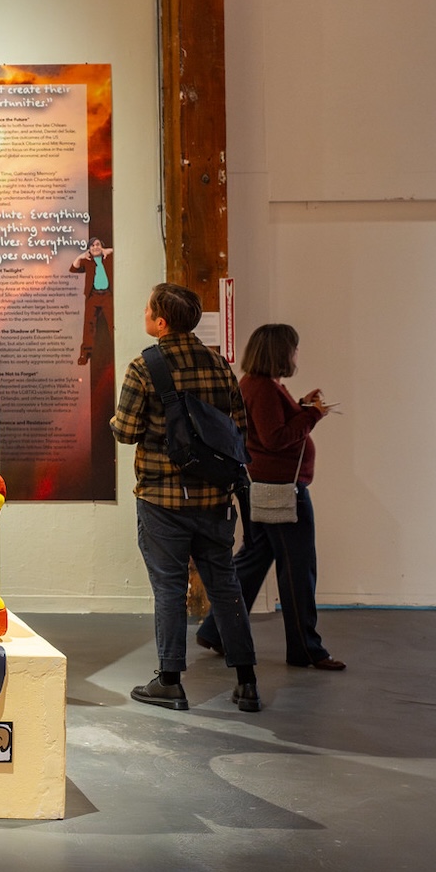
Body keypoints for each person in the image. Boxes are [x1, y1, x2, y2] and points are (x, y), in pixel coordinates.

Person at [110, 282, 264, 712]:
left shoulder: (145, 367)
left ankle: (171, 682)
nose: (144, 313)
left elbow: (125, 433)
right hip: (214, 498)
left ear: (161, 322)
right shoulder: (219, 365)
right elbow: (238, 432)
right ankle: (247, 681)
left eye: (147, 309)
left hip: (162, 500)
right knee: (226, 585)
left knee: (169, 588)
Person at [197, 324, 345, 671]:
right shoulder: (263, 389)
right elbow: (276, 437)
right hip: (282, 492)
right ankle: (306, 649)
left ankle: (217, 629)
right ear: (280, 353)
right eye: (293, 349)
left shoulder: (260, 385)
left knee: (253, 560)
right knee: (297, 570)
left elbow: (273, 427)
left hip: (265, 487)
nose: (296, 356)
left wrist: (303, 406)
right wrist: (312, 415)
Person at [68, 238, 115, 365]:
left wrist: (108, 250)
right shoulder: (87, 261)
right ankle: (85, 353)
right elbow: (73, 268)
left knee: (112, 322)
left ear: (102, 246)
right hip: (92, 295)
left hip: (107, 295)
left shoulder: (108, 258)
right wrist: (81, 256)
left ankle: (117, 348)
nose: (95, 247)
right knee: (89, 323)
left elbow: (121, 252)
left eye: (98, 244)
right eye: (92, 245)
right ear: (89, 248)